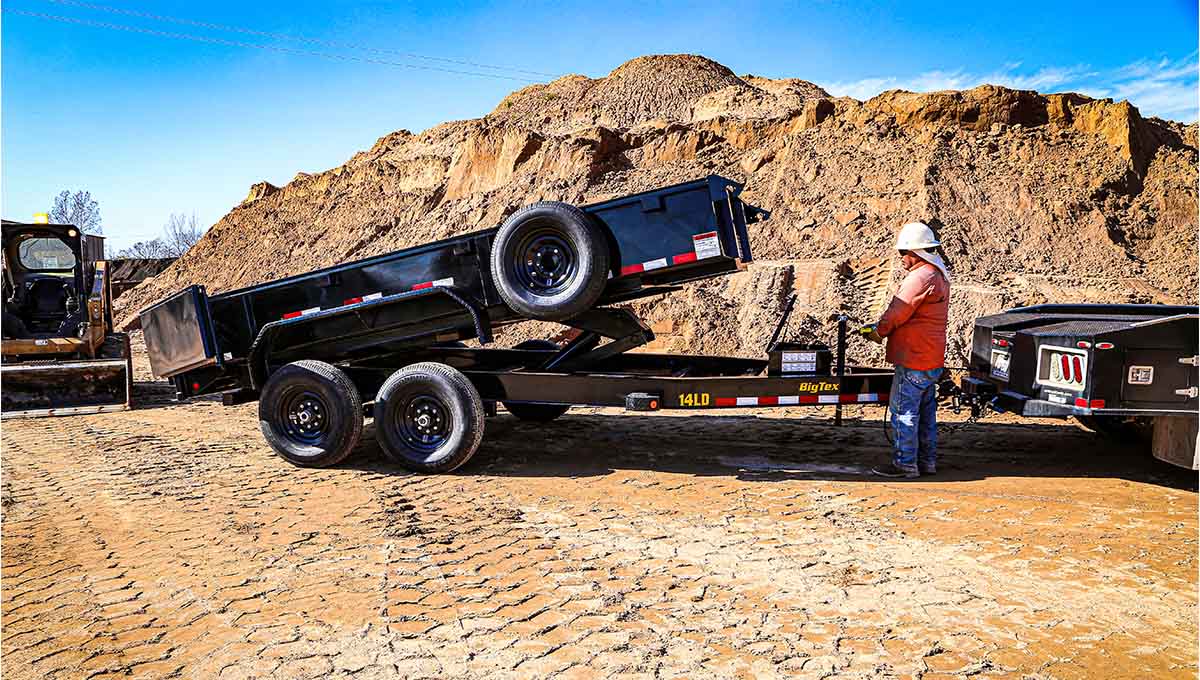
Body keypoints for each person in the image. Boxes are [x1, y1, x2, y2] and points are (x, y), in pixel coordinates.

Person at [863, 222, 951, 478]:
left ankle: (905, 465)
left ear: (916, 252)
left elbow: (897, 312)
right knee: (926, 416)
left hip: (914, 358)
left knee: (904, 413)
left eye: (903, 252)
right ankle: (926, 463)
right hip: (930, 358)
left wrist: (877, 331)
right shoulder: (938, 275)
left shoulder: (921, 277)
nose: (901, 257)